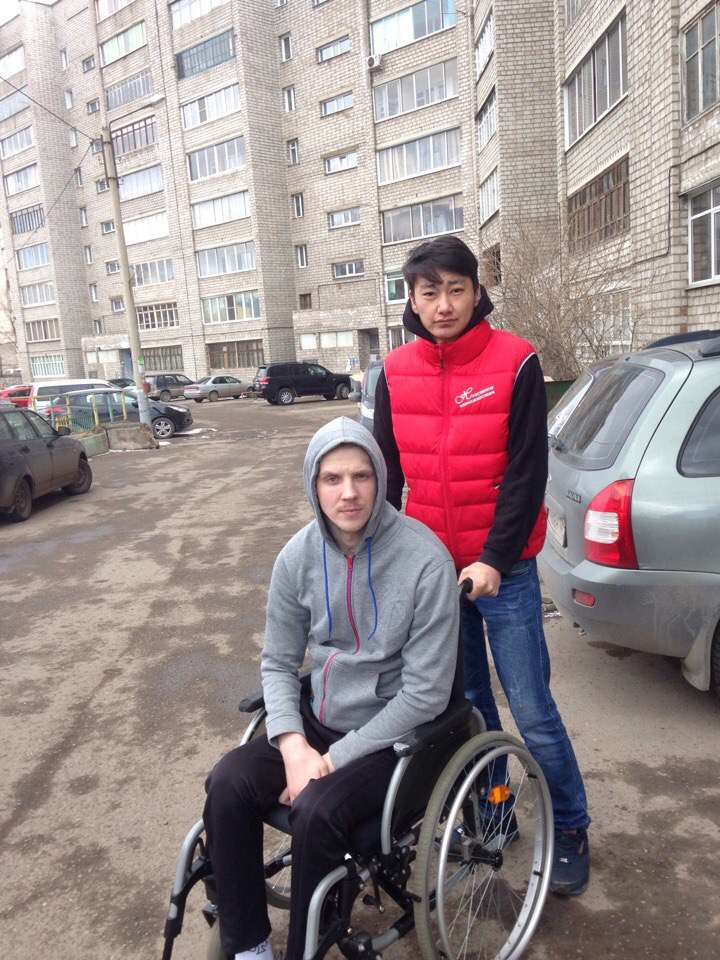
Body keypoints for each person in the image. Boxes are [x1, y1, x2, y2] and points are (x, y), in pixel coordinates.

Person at [373, 235, 590, 896]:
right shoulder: (393, 371)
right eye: (430, 292)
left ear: (476, 293)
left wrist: (495, 558)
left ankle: (571, 827)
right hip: (433, 573)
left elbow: (526, 473)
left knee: (531, 706)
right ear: (412, 300)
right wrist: (378, 554)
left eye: (455, 289)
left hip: (505, 572)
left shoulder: (516, 361)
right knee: (467, 707)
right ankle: (495, 810)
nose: (443, 304)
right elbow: (386, 473)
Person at [203, 416, 459, 960]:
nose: (349, 493)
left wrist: (330, 762)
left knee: (315, 810)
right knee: (227, 782)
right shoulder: (296, 557)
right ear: (313, 485)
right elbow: (278, 663)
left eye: (362, 476)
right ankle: (248, 945)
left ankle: (307, 948)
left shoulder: (426, 560)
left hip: (392, 738)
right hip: (318, 720)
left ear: (381, 479)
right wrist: (293, 746)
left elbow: (426, 695)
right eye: (332, 478)